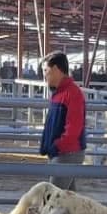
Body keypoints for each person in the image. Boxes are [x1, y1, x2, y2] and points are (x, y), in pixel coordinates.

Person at [40, 52, 86, 190]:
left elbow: (74, 128)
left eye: (46, 70)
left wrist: (57, 145)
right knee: (67, 197)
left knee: (53, 196)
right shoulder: (59, 93)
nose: (44, 75)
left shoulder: (72, 93)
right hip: (61, 152)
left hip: (67, 152)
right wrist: (48, 145)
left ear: (55, 69)